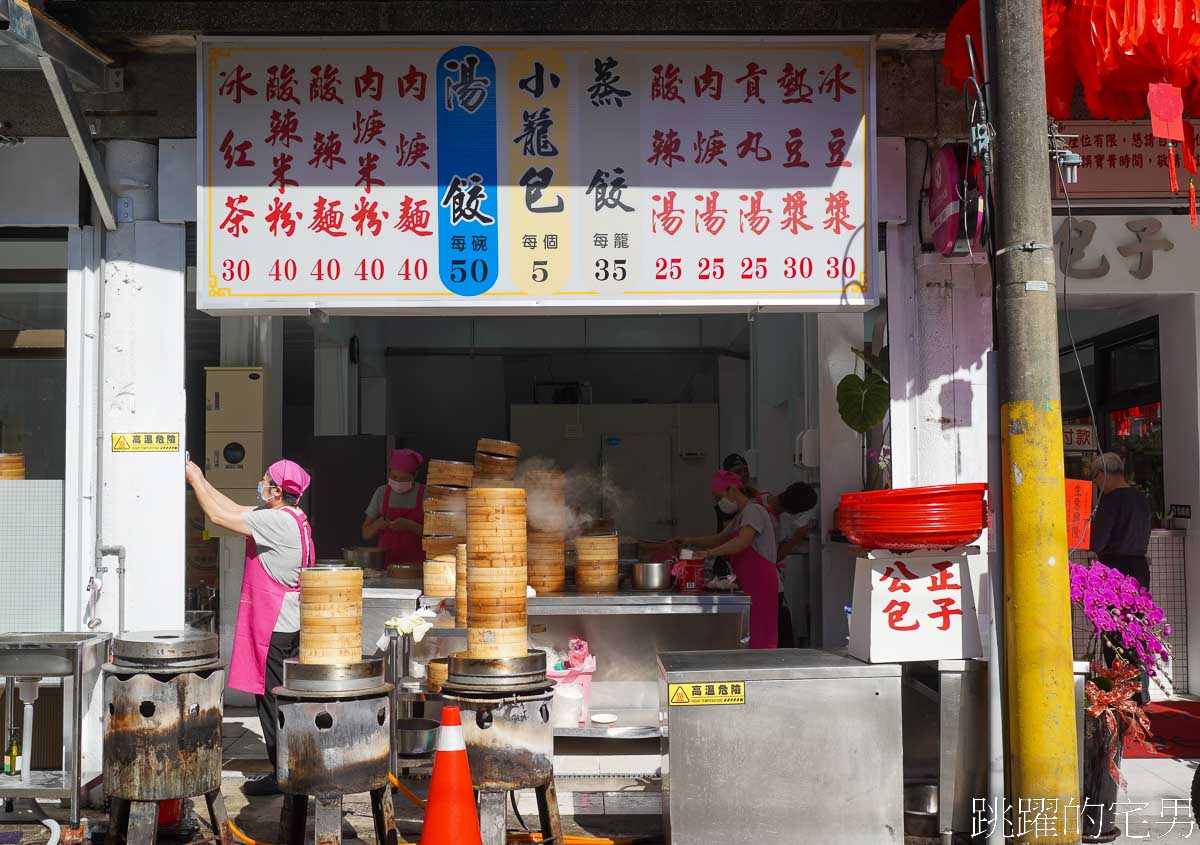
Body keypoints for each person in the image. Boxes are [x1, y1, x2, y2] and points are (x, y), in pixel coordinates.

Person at [185, 458, 314, 796]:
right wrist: (198, 476)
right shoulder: (292, 517)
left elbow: (216, 516)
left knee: (271, 701)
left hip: (276, 625)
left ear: (276, 491)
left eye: (265, 479)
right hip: (287, 622)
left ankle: (282, 774)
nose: (261, 483)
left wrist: (194, 480)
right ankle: (286, 768)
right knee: (276, 699)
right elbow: (228, 507)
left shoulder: (276, 522)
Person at [677, 470, 779, 648]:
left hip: (761, 583)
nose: (719, 503)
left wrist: (708, 553)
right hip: (748, 582)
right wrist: (689, 540)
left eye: (719, 497)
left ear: (732, 490)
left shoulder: (753, 510)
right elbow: (719, 538)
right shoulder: (740, 516)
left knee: (760, 634)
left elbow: (742, 541)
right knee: (747, 633)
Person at [1089, 451, 1153, 703]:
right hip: (1139, 570)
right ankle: (1140, 689)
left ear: (1103, 474)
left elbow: (1098, 541)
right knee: (1137, 628)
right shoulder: (1141, 499)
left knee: (1113, 631)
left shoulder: (1111, 501)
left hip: (1114, 571)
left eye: (1095, 478)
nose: (1096, 484)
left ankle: (1120, 689)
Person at [755, 482, 819, 648]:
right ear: (794, 511)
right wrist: (796, 537)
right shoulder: (769, 521)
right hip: (766, 582)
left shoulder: (761, 496)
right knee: (778, 631)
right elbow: (775, 556)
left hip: (755, 578)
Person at [362, 448, 425, 564]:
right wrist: (377, 525)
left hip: (417, 566)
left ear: (414, 475)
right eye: (394, 477)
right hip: (387, 566)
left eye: (403, 478)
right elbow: (366, 533)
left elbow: (435, 537)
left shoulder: (425, 494)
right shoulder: (382, 493)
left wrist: (409, 526)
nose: (398, 482)